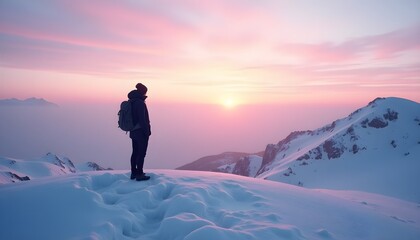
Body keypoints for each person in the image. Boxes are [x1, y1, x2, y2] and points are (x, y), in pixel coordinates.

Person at [128, 83, 151, 181]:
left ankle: (134, 172)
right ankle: (140, 174)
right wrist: (147, 132)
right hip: (141, 132)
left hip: (133, 132)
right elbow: (143, 120)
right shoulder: (140, 103)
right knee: (141, 153)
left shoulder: (132, 101)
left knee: (135, 152)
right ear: (142, 92)